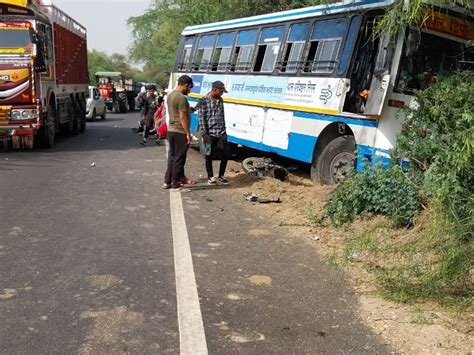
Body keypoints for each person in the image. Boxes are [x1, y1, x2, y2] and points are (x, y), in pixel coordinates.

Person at [163, 75, 194, 189]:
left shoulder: (171, 95)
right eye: (189, 88)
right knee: (179, 158)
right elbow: (182, 117)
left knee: (172, 156)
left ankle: (167, 181)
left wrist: (188, 110)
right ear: (186, 85)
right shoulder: (182, 98)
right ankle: (175, 182)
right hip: (179, 131)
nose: (189, 91)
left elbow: (176, 111)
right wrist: (187, 133)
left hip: (170, 130)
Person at [198, 80, 229, 185]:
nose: (222, 93)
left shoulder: (220, 100)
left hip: (221, 132)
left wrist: (224, 130)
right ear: (214, 89)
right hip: (209, 133)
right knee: (208, 156)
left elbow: (223, 116)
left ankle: (221, 175)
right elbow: (201, 118)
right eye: (221, 91)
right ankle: (210, 177)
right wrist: (204, 133)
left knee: (225, 154)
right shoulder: (203, 100)